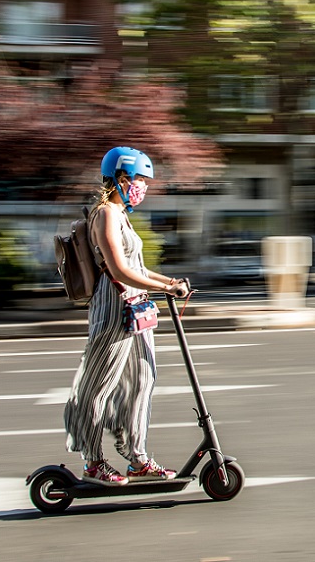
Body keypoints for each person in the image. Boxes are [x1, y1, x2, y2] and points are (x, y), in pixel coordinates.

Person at [64, 146, 189, 487]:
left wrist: (170, 282)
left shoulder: (122, 214)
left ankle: (138, 459)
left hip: (135, 307)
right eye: (139, 180)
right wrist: (166, 290)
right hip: (114, 306)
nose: (143, 187)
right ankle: (93, 462)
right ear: (121, 178)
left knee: (142, 381)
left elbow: (137, 266)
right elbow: (119, 269)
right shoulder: (105, 213)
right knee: (98, 386)